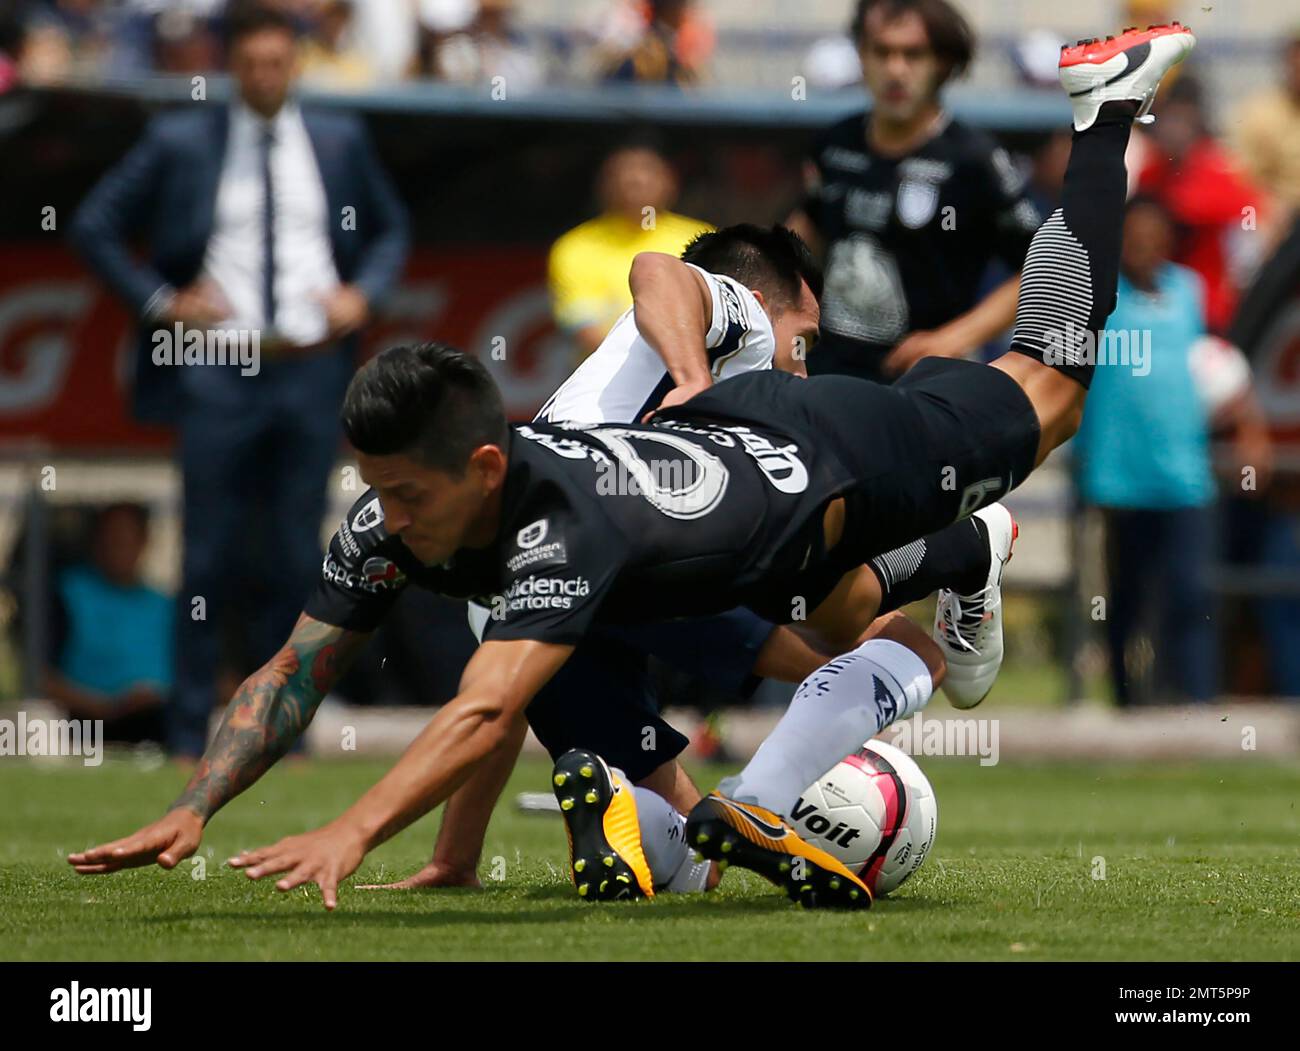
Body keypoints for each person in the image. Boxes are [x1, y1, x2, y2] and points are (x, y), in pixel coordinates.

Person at [67, 23, 1196, 911]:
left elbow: (478, 710)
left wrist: (350, 831)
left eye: (408, 494)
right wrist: (196, 806)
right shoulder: (412, 519)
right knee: (834, 609)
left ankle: (1105, 119)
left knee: (1049, 393)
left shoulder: (564, 523)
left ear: (482, 463)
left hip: (816, 459)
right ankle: (936, 585)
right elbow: (291, 671)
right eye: (381, 490)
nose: (388, 518)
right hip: (745, 527)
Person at [69, 1, 408, 758]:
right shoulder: (180, 137)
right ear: (231, 66)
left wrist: (366, 294)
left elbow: (391, 229)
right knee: (207, 553)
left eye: (277, 63)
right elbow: (93, 223)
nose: (264, 75)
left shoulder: (338, 137)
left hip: (311, 363)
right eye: (250, 63)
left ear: (296, 64)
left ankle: (282, 731)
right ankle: (192, 730)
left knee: (296, 551)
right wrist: (161, 303)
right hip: (219, 363)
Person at [786, 0, 1041, 383]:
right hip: (827, 376)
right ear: (861, 55)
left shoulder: (975, 160)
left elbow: (1038, 267)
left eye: (913, 54)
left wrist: (955, 337)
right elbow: (810, 230)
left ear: (942, 62)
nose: (895, 70)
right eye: (882, 52)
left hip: (922, 387)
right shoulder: (835, 144)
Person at [548, 136, 711, 362]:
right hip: (604, 375)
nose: (637, 181)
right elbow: (583, 325)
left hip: (683, 371)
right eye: (626, 177)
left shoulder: (702, 237)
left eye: (648, 174)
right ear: (605, 186)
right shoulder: (576, 246)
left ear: (670, 182)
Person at [43, 503, 174, 745]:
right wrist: (109, 707)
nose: (120, 548)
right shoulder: (67, 594)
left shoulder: (166, 604)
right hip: (90, 723)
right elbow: (41, 677)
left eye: (128, 539)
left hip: (162, 720)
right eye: (112, 539)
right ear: (96, 542)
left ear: (145, 542)